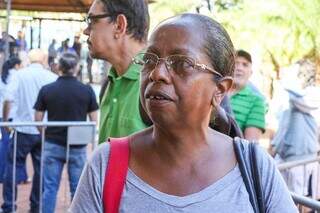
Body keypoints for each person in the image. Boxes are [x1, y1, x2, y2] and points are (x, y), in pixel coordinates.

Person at [70, 14, 296, 212]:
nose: (157, 73)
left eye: (182, 63)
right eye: (150, 59)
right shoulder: (106, 163)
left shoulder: (254, 166)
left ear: (220, 90)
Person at [34, 52, 99, 213]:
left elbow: (38, 119)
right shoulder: (86, 90)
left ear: (59, 68)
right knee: (77, 190)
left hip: (52, 143)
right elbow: (94, 121)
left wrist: (45, 135)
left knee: (49, 188)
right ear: (76, 68)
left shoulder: (47, 89)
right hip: (77, 145)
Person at [83, 0, 150, 144]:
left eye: (92, 21)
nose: (86, 31)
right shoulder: (110, 81)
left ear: (119, 25)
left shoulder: (158, 83)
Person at [1, 49, 57, 213]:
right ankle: (36, 206)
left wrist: (6, 121)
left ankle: (9, 205)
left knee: (12, 167)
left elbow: (8, 99)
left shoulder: (19, 75)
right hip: (43, 130)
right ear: (44, 59)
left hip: (22, 128)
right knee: (41, 170)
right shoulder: (51, 77)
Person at [230, 50, 266, 141]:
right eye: (236, 63)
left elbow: (250, 146)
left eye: (245, 65)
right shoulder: (215, 92)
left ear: (251, 72)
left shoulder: (256, 101)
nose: (239, 68)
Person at [0, 57, 23, 183]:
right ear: (17, 65)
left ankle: (2, 173)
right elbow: (9, 100)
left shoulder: (2, 77)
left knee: (4, 144)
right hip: (12, 116)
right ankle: (19, 176)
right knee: (14, 149)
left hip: (2, 115)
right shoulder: (17, 76)